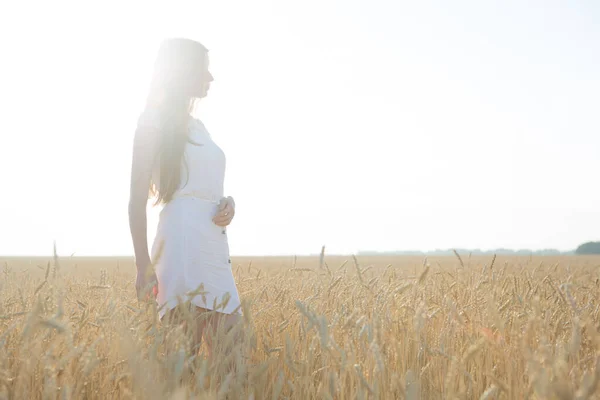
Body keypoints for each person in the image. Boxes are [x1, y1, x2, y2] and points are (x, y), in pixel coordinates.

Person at [128, 38, 242, 355]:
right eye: (204, 69)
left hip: (213, 245)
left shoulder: (200, 128)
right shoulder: (152, 121)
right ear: (184, 72)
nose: (211, 78)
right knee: (183, 362)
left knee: (235, 361)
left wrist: (227, 202)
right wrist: (142, 266)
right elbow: (136, 200)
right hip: (179, 243)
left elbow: (204, 185)